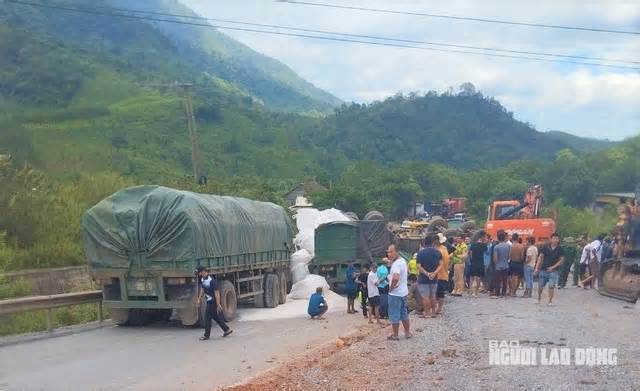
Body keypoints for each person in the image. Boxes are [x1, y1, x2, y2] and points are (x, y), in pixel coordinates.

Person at [196, 266, 232, 341]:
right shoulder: (202, 279)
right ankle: (226, 329)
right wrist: (199, 299)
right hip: (209, 300)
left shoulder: (211, 281)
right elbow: (202, 289)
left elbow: (217, 293)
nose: (199, 274)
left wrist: (218, 304)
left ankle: (206, 335)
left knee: (207, 318)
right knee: (215, 317)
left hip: (213, 301)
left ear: (203, 272)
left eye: (199, 272)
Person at [386, 244, 411, 340]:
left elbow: (396, 277)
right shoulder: (402, 261)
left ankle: (395, 334)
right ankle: (407, 333)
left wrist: (391, 287)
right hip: (403, 292)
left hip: (395, 294)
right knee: (404, 313)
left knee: (394, 314)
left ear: (397, 252)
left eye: (392, 252)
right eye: (388, 252)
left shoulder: (396, 264)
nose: (389, 254)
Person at [535, 232, 565, 305]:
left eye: (557, 239)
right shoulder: (545, 247)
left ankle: (550, 301)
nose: (555, 240)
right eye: (554, 238)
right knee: (540, 285)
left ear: (558, 240)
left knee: (551, 286)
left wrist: (553, 267)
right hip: (543, 269)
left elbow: (561, 260)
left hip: (554, 271)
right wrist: (536, 268)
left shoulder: (560, 249)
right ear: (551, 239)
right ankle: (539, 298)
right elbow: (540, 257)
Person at [417, 235, 443, 318]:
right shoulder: (438, 252)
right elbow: (441, 265)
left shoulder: (420, 253)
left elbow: (419, 266)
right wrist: (434, 273)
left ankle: (427, 313)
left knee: (425, 297)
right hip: (434, 278)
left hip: (423, 278)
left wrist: (427, 273)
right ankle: (433, 312)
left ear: (424, 243)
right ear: (432, 243)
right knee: (433, 295)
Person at [468, 231, 487, 297]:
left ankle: (470, 291)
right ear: (482, 237)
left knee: (471, 277)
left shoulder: (473, 245)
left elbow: (470, 254)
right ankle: (476, 293)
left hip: (473, 263)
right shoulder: (484, 245)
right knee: (478, 278)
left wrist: (471, 260)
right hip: (480, 263)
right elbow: (486, 254)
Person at [492, 231, 510, 298]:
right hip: (506, 265)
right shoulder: (508, 246)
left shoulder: (496, 247)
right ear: (504, 237)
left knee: (498, 281)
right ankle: (503, 293)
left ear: (498, 238)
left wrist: (495, 263)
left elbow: (495, 258)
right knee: (505, 280)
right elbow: (509, 256)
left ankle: (497, 293)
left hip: (498, 266)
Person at [436, 233, 451, 314]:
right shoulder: (445, 249)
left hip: (439, 275)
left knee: (438, 294)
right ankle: (439, 308)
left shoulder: (438, 251)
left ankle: (437, 309)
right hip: (445, 274)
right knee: (441, 294)